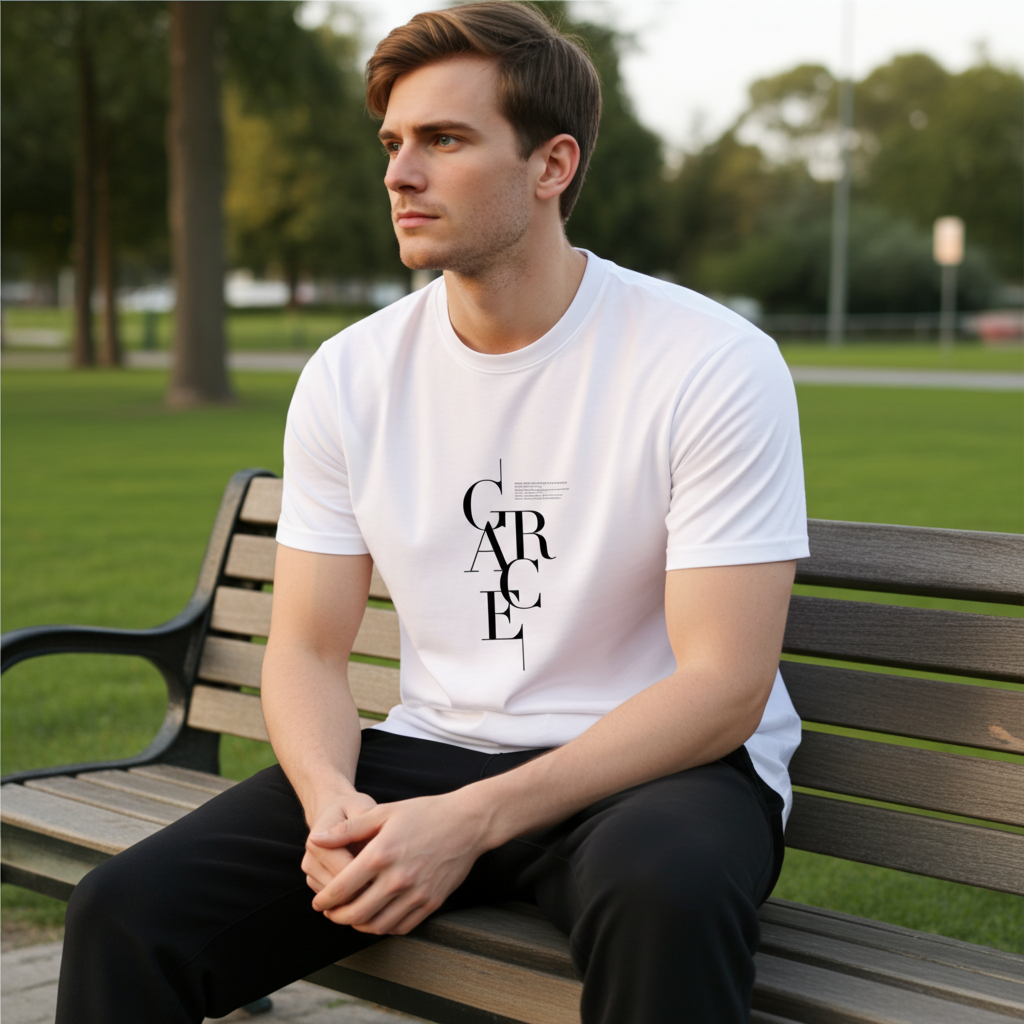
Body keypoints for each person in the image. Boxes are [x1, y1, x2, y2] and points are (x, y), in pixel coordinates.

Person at [56, 4, 807, 1022]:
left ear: (551, 166)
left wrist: (471, 819)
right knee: (126, 915)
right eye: (393, 143)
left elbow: (724, 686)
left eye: (444, 140)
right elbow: (306, 649)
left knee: (664, 900)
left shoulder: (708, 362)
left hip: (654, 770)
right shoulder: (351, 375)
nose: (400, 175)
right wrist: (330, 802)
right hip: (427, 751)